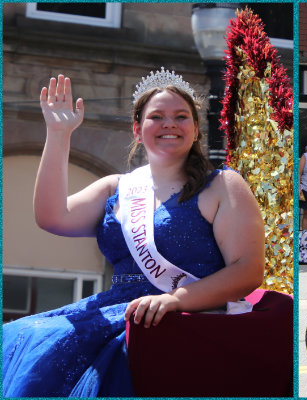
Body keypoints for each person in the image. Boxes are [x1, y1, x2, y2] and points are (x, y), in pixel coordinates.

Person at [2, 71, 264, 396]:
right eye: (157, 117)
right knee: (25, 335)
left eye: (181, 117)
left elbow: (247, 269)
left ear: (196, 130)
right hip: (118, 308)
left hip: (186, 311)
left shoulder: (223, 186)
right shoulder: (117, 187)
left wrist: (174, 299)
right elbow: (52, 217)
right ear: (138, 130)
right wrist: (59, 134)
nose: (169, 123)